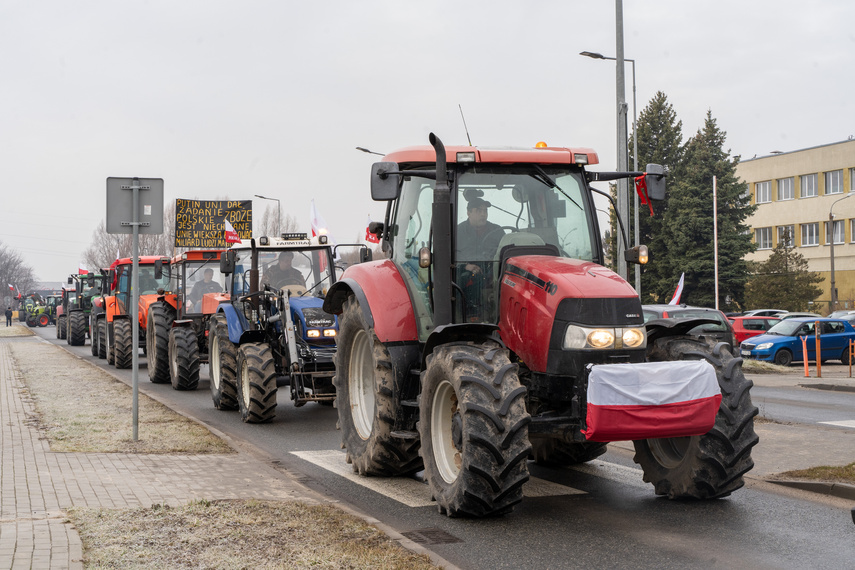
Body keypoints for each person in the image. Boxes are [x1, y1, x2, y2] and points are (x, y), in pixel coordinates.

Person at [456, 197, 504, 321]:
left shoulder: (497, 231)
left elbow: (506, 252)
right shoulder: (457, 232)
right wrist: (465, 265)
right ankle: (465, 317)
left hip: (492, 272)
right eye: (479, 210)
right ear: (468, 213)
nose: (483, 214)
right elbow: (449, 256)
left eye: (485, 211)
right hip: (466, 274)